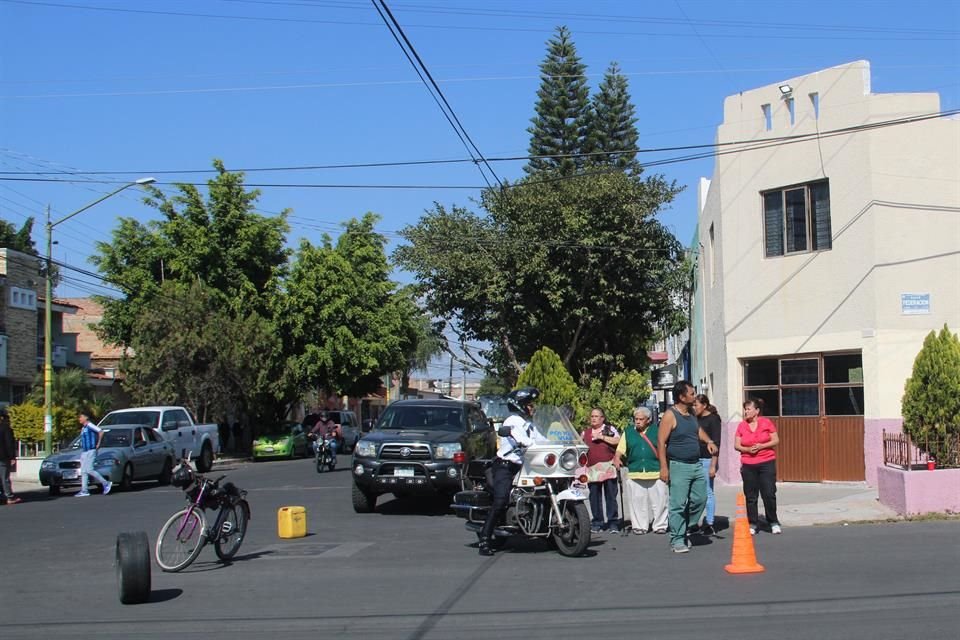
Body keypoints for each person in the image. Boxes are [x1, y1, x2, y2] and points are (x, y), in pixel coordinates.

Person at [478, 386, 544, 556]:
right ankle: (485, 539)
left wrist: (561, 443)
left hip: (526, 466)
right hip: (506, 466)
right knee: (501, 500)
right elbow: (521, 438)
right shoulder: (512, 422)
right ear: (520, 405)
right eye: (529, 404)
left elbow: (542, 440)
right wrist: (528, 443)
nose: (532, 407)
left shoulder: (530, 424)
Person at [657, 380, 718, 553]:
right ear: (681, 397)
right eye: (691, 393)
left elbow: (697, 430)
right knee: (678, 503)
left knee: (701, 499)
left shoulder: (691, 413)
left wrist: (709, 441)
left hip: (696, 465)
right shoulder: (670, 415)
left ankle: (684, 527)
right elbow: (661, 442)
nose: (694, 395)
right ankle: (677, 539)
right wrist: (664, 468)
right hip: (679, 466)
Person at [612, 407, 667, 535]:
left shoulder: (657, 431)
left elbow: (664, 448)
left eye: (641, 419)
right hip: (635, 471)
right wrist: (617, 458)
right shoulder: (629, 432)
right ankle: (639, 526)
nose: (637, 421)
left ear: (648, 420)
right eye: (636, 419)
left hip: (655, 470)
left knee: (659, 501)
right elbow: (620, 448)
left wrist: (665, 468)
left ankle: (660, 525)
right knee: (637, 501)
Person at [735, 397, 782, 535]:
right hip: (748, 464)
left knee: (769, 493)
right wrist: (747, 450)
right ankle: (753, 523)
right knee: (750, 495)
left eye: (748, 409)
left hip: (766, 462)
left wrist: (762, 446)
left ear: (757, 411)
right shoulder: (741, 426)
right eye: (745, 409)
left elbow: (776, 440)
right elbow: (736, 445)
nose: (746, 411)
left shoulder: (766, 422)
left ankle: (773, 521)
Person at [582, 407, 621, 534]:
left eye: (596, 416)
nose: (593, 418)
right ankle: (597, 522)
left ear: (602, 418)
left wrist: (602, 437)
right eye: (592, 416)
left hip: (608, 467)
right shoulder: (585, 433)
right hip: (592, 469)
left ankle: (613, 522)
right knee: (594, 496)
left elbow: (618, 441)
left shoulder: (609, 429)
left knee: (610, 496)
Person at [693, 394, 722, 535]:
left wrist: (712, 465)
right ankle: (693, 523)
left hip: (706, 460)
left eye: (696, 405)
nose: (694, 408)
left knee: (708, 492)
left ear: (704, 405)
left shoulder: (713, 419)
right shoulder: (694, 419)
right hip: (694, 460)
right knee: (694, 494)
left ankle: (709, 523)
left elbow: (716, 443)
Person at [77, 412, 112, 497]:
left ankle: (106, 483)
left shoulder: (90, 425)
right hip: (85, 451)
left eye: (81, 417)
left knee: (89, 470)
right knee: (84, 471)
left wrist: (98, 443)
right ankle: (84, 490)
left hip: (91, 450)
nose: (79, 419)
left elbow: (101, 431)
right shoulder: (83, 428)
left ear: (86, 417)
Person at [0, 409, 22, 505]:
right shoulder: (5, 429)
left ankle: (2, 495)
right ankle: (9, 497)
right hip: (3, 457)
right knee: (4, 477)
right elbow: (9, 444)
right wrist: (12, 456)